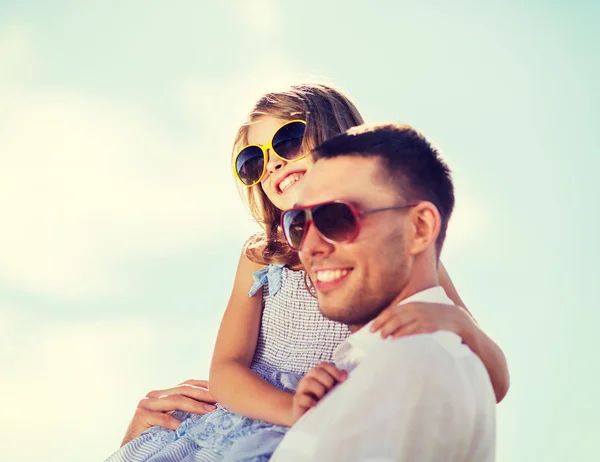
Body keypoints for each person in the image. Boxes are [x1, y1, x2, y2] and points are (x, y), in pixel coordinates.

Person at [107, 84, 508, 461]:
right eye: (253, 161)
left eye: (287, 140)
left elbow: (493, 381)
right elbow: (226, 368)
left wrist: (461, 326)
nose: (274, 163)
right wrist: (293, 409)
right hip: (261, 417)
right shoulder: (262, 257)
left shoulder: (399, 246)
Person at [271, 123, 497, 461]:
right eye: (299, 225)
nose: (310, 247)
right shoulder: (365, 373)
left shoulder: (416, 362)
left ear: (419, 228)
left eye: (337, 217)